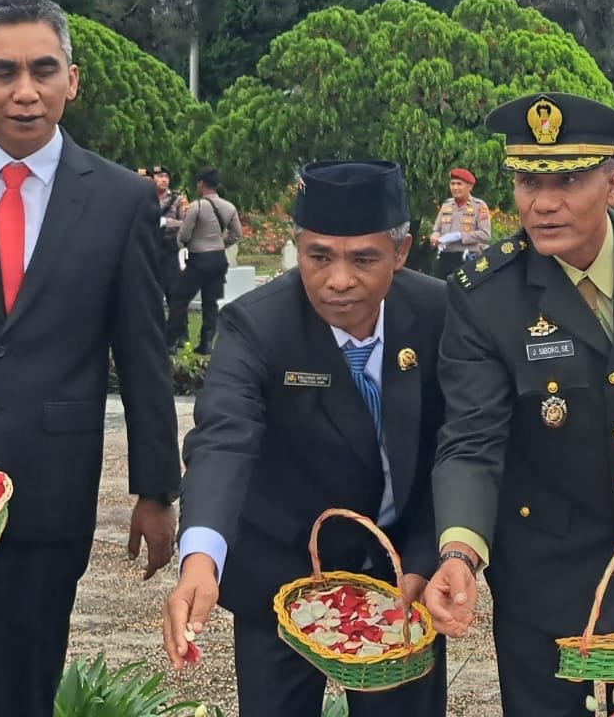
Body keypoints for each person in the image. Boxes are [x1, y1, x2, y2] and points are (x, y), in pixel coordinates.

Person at [0, 0, 179, 717]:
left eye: (43, 69)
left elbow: (143, 351)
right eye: (2, 72)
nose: (25, 91)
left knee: (24, 693)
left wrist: (157, 490)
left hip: (46, 496)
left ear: (72, 79)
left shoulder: (121, 200)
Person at [424, 93, 614, 717]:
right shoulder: (487, 294)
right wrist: (458, 550)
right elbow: (472, 438)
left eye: (569, 181)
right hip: (545, 567)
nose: (543, 202)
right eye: (530, 181)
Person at [163, 160, 447, 715]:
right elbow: (223, 440)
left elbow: (458, 444)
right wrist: (200, 558)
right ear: (297, 248)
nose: (339, 280)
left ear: (402, 251)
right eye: (319, 257)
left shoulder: (440, 314)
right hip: (282, 574)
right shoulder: (258, 325)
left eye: (364, 259)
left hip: (402, 575)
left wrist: (428, 556)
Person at [168, 168, 242, 354]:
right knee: (211, 302)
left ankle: (169, 341)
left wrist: (185, 242)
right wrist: (220, 244)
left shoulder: (197, 206)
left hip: (198, 259)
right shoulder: (229, 207)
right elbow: (237, 234)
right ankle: (207, 342)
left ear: (201, 183)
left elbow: (184, 234)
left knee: (179, 299)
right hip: (218, 259)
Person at [430, 167, 492, 279]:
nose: (455, 187)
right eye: (452, 184)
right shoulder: (446, 205)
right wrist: (435, 235)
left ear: (470, 186)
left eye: (459, 184)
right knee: (440, 291)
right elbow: (437, 229)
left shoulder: (479, 206)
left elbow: (485, 234)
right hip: (445, 258)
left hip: (467, 258)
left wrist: (460, 236)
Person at [152, 165, 189, 333]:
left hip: (169, 249)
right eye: (160, 176)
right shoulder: (144, 197)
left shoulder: (177, 199)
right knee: (153, 293)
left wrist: (167, 223)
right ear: (152, 178)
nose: (164, 180)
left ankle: (180, 332)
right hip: (150, 250)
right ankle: (157, 331)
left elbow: (186, 224)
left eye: (166, 176)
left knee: (174, 291)